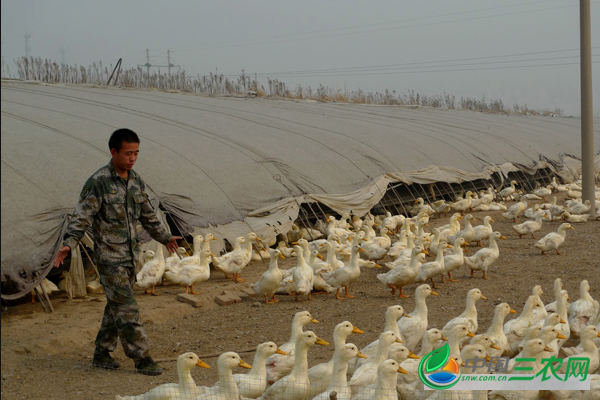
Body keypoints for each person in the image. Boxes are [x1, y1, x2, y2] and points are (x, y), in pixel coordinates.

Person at [53, 128, 182, 376]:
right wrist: (70, 243)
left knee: (116, 307)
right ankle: (142, 357)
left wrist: (165, 237)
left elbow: (148, 216)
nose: (132, 158)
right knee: (128, 309)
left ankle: (101, 353)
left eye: (136, 153)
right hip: (110, 259)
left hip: (132, 258)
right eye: (127, 153)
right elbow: (81, 218)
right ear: (113, 152)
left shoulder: (136, 181)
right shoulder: (98, 183)